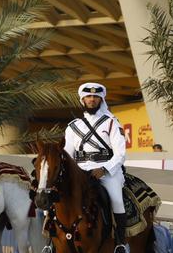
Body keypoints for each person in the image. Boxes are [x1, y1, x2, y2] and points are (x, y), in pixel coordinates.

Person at [64, 82, 128, 253]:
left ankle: (120, 242)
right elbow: (68, 154)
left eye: (95, 97)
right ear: (82, 100)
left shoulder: (112, 122)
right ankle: (50, 241)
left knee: (116, 199)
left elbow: (120, 154)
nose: (92, 100)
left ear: (101, 100)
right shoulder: (72, 126)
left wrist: (104, 169)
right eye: (88, 97)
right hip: (80, 171)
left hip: (106, 171)